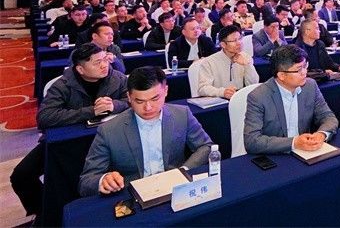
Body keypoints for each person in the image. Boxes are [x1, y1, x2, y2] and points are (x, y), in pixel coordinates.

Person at [11, 44, 128, 218]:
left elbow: (133, 101)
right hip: (65, 144)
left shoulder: (117, 78)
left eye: (105, 59)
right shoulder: (63, 85)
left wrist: (115, 105)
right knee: (21, 175)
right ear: (80, 69)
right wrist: (90, 111)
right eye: (97, 63)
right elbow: (45, 117)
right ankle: (43, 212)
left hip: (107, 140)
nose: (104, 65)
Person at [78, 67, 212, 196]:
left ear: (166, 91)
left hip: (175, 188)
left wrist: (183, 170)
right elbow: (86, 181)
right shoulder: (109, 130)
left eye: (155, 99)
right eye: (139, 101)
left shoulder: (182, 114)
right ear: (129, 97)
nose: (148, 107)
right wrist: (103, 180)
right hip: (132, 193)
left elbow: (206, 146)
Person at [243, 45, 339, 154]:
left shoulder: (310, 86)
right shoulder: (258, 97)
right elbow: (252, 141)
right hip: (275, 155)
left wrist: (321, 134)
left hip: (305, 152)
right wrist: (294, 142)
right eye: (299, 69)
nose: (304, 72)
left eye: (305, 66)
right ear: (282, 75)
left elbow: (328, 117)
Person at [197, 25, 259, 99]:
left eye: (240, 38)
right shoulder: (209, 62)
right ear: (223, 44)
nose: (239, 43)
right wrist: (222, 92)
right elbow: (203, 88)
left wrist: (247, 65)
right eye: (234, 41)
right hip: (219, 100)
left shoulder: (245, 57)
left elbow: (253, 84)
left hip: (238, 99)